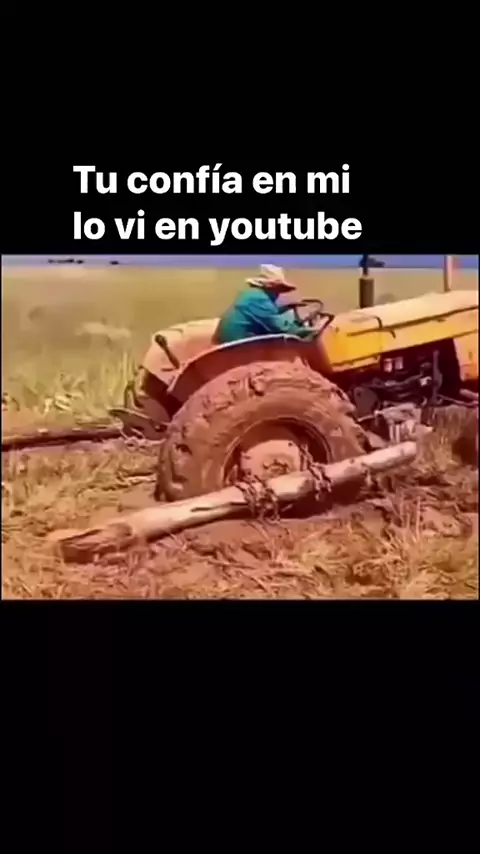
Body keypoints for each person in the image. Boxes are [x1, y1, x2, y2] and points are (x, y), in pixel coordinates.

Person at [215, 264, 317, 344]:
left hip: (232, 339)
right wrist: (311, 330)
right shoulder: (259, 299)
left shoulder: (252, 294)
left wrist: (287, 307)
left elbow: (267, 313)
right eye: (279, 288)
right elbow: (285, 330)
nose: (279, 293)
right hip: (235, 346)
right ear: (271, 286)